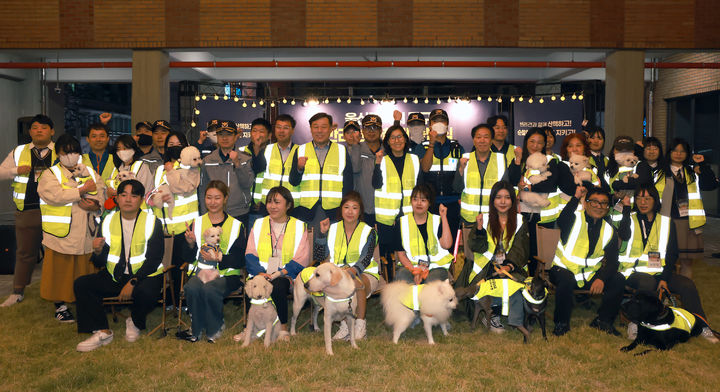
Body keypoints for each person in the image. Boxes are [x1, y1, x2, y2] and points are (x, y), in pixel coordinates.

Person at [617, 185, 717, 342]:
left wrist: (664, 277)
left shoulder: (666, 222)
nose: (643, 202)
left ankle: (702, 326)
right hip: (633, 273)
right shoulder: (629, 218)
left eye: (647, 198)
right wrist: (626, 210)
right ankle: (636, 324)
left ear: (655, 201)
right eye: (639, 198)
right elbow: (623, 234)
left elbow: (671, 254)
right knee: (647, 282)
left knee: (687, 284)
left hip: (659, 273)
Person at [73, 179, 164, 352]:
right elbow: (100, 262)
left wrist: (133, 282)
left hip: (145, 275)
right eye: (123, 195)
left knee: (147, 292)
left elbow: (154, 259)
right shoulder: (107, 221)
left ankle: (134, 321)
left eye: (134, 195)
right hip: (115, 274)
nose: (128, 199)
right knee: (82, 284)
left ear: (141, 200)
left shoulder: (152, 222)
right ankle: (102, 330)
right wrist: (98, 252)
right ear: (117, 198)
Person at [38, 133, 105, 322]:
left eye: (74, 151)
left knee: (85, 269)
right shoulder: (50, 174)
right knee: (60, 271)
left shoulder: (90, 172)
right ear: (58, 154)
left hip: (86, 232)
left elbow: (102, 193)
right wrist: (81, 191)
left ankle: (83, 300)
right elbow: (54, 196)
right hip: (61, 234)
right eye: (65, 152)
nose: (70, 155)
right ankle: (60, 306)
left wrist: (96, 206)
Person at [551, 186, 625, 336]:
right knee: (566, 280)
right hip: (562, 269)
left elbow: (612, 261)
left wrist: (601, 279)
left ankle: (603, 321)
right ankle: (561, 324)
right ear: (586, 203)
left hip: (589, 275)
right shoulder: (573, 219)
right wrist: (576, 197)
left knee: (618, 279)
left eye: (604, 203)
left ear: (608, 208)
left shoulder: (609, 230)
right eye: (594, 202)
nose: (599, 206)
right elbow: (561, 219)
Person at [177, 180, 245, 343]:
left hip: (227, 276)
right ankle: (196, 327)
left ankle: (215, 327)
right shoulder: (197, 223)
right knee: (191, 287)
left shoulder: (236, 225)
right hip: (200, 274)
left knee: (209, 289)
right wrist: (190, 244)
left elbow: (239, 259)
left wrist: (219, 258)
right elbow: (187, 257)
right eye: (209, 198)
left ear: (225, 198)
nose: (212, 202)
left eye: (217, 198)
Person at [239, 186, 310, 342]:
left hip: (287, 275)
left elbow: (302, 258)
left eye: (277, 202)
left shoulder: (299, 226)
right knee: (251, 286)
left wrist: (279, 273)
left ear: (288, 205)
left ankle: (283, 329)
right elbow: (250, 252)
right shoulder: (258, 224)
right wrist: (259, 272)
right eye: (270, 202)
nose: (272, 206)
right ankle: (249, 329)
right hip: (261, 273)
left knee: (278, 286)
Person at [0, 114, 57, 307]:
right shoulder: (19, 151)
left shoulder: (61, 150)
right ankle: (17, 291)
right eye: (34, 127)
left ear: (52, 131)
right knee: (25, 253)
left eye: (43, 127)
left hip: (56, 212)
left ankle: (55, 293)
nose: (39, 130)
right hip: (27, 210)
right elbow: (1, 172)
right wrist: (16, 170)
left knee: (55, 253)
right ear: (30, 131)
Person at [315, 191, 380, 340]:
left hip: (365, 274)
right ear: (341, 210)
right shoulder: (333, 228)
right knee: (325, 283)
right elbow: (318, 256)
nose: (350, 211)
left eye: (355, 208)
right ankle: (345, 326)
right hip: (338, 275)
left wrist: (347, 274)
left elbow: (365, 260)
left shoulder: (369, 231)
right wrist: (322, 234)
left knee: (357, 282)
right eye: (346, 207)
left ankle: (360, 325)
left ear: (360, 211)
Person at [467, 181, 529, 332]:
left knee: (513, 283)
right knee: (493, 283)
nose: (502, 202)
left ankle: (516, 321)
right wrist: (480, 229)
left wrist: (508, 266)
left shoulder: (520, 221)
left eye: (507, 198)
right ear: (492, 200)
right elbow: (475, 247)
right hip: (486, 268)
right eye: (498, 197)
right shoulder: (485, 219)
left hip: (510, 266)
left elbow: (521, 249)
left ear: (512, 201)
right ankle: (492, 315)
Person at [655, 138, 717, 278]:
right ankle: (663, 294)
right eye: (675, 150)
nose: (678, 154)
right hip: (665, 223)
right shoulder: (660, 173)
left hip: (688, 224)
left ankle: (684, 293)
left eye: (682, 151)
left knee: (686, 262)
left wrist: (702, 164)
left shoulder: (692, 172)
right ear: (669, 152)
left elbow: (711, 184)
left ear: (687, 153)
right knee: (663, 261)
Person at [151, 130, 199, 305]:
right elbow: (152, 193)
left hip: (185, 226)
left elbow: (183, 188)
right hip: (164, 227)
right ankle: (169, 301)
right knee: (166, 267)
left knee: (183, 266)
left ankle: (184, 302)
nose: (174, 148)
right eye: (170, 145)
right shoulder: (159, 170)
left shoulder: (192, 167)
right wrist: (152, 199)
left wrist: (171, 172)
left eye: (178, 144)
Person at [289, 112, 353, 241]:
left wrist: (344, 209)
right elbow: (293, 181)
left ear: (331, 129)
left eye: (324, 127)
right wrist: (299, 168)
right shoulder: (300, 150)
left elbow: (349, 183)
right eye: (315, 127)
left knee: (332, 248)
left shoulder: (341, 150)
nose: (319, 131)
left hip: (334, 211)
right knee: (307, 248)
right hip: (306, 211)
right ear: (311, 129)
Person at [454, 123, 509, 274]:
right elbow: (457, 188)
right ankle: (471, 290)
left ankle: (492, 287)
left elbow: (506, 188)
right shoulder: (465, 159)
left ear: (491, 140)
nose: (482, 140)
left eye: (486, 137)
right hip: (469, 219)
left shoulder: (500, 159)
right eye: (478, 137)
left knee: (493, 257)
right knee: (471, 258)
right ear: (473, 140)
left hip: (494, 218)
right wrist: (460, 170)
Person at [373, 125, 420, 277]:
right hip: (387, 220)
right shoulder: (383, 160)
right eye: (392, 138)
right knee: (388, 259)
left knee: (408, 252)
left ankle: (410, 283)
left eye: (400, 137)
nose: (396, 140)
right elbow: (376, 184)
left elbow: (420, 188)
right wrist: (377, 163)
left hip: (409, 217)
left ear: (406, 140)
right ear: (387, 141)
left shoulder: (414, 160)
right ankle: (389, 288)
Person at [416, 109, 464, 250]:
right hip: (430, 205)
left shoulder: (456, 147)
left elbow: (462, 175)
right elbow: (425, 168)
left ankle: (449, 271)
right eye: (435, 121)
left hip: (453, 204)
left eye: (442, 121)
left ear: (447, 124)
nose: (438, 124)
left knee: (450, 244)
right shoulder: (423, 147)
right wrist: (431, 143)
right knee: (430, 243)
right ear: (430, 125)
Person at [199, 120, 254, 230]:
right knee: (214, 246)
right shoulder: (207, 160)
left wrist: (237, 164)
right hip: (214, 213)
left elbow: (247, 184)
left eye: (229, 134)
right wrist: (204, 215)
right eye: (221, 135)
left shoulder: (245, 158)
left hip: (239, 213)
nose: (224, 138)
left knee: (238, 247)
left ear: (235, 136)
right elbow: (202, 190)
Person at [396, 184, 453, 284]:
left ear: (429, 203)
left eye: (423, 200)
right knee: (402, 276)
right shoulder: (401, 223)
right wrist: (415, 271)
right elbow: (401, 254)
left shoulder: (437, 220)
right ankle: (411, 300)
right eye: (415, 199)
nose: (419, 203)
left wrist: (443, 217)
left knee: (431, 283)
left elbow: (447, 245)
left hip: (435, 267)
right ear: (411, 201)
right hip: (411, 267)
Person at [257, 114, 300, 214]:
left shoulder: (301, 151)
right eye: (278, 127)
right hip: (268, 204)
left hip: (291, 205)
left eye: (286, 128)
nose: (281, 131)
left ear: (292, 130)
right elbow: (259, 177)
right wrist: (258, 199)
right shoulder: (266, 150)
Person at [239, 118, 271, 224]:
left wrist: (264, 202)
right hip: (242, 206)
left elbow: (259, 169)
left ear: (269, 135)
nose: (257, 134)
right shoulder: (241, 151)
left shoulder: (272, 153)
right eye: (254, 130)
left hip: (264, 208)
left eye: (261, 131)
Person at [105, 135, 154, 199]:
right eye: (118, 149)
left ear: (133, 149)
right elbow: (107, 188)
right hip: (117, 207)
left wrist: (119, 193)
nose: (121, 151)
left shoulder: (142, 167)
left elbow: (143, 191)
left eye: (125, 148)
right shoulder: (116, 169)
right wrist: (108, 192)